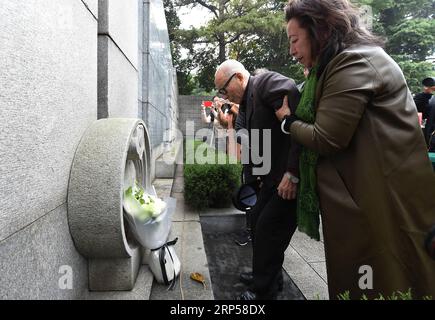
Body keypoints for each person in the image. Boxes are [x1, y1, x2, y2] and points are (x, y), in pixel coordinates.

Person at [275, 0, 435, 299]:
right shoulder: (342, 62)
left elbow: (326, 138)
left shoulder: (354, 61)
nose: (292, 51)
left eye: (295, 40)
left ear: (320, 29)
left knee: (380, 280)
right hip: (367, 198)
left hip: (379, 204)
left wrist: (288, 122)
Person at [215, 60, 301, 300]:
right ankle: (267, 276)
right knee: (257, 224)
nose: (224, 95)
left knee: (267, 231)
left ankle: (264, 291)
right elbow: (255, 142)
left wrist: (292, 173)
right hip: (270, 180)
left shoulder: (266, 82)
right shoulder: (245, 103)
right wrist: (257, 178)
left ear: (239, 78)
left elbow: (291, 96)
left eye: (224, 88)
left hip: (288, 179)